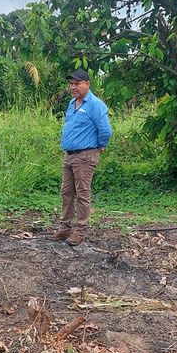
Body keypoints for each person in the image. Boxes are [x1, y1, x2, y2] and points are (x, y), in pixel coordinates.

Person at [53, 69, 112, 245]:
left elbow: (106, 130)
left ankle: (80, 230)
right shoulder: (72, 103)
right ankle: (64, 228)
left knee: (82, 193)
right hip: (69, 155)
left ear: (87, 84)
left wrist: (100, 146)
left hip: (85, 156)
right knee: (66, 192)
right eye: (71, 84)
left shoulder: (95, 104)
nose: (73, 87)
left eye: (77, 84)